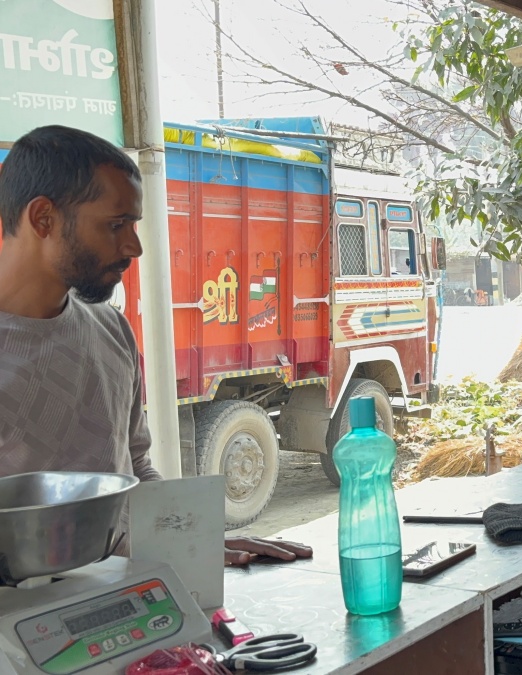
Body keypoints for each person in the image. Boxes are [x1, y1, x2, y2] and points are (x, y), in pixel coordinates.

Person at [0, 125, 312, 567]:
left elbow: (134, 471)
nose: (135, 246)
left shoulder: (110, 329)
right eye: (115, 225)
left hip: (125, 604)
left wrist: (192, 540)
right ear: (43, 219)